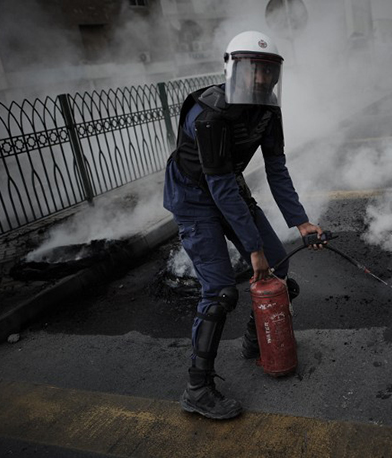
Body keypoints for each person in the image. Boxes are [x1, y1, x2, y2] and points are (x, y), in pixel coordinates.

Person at [163, 30, 324, 420]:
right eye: (253, 69)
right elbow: (215, 184)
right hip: (193, 197)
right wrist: (252, 249)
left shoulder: (268, 110)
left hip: (227, 187)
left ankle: (257, 338)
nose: (261, 79)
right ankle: (197, 388)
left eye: (268, 70)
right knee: (219, 292)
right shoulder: (210, 112)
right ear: (233, 67)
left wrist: (301, 222)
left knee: (279, 265)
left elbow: (276, 168)